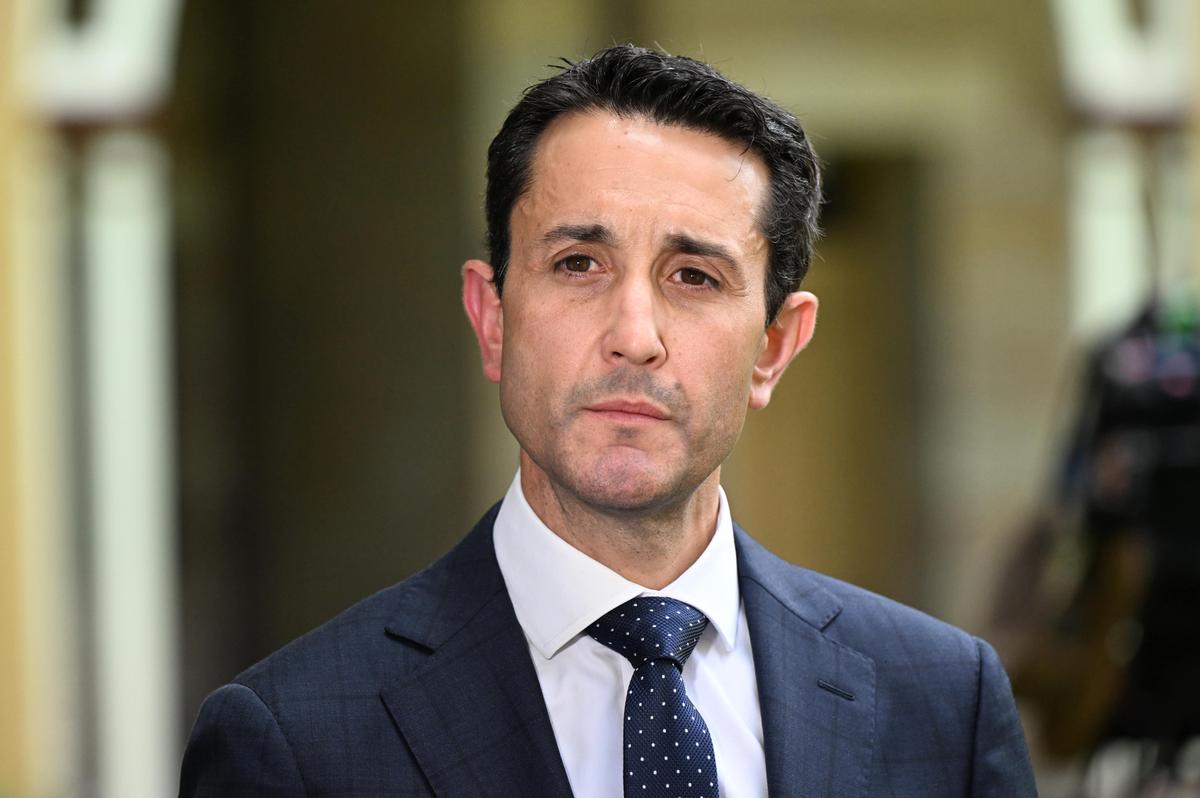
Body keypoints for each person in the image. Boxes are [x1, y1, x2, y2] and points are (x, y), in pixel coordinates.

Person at [180, 45, 1037, 797]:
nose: (634, 337)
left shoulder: (942, 704)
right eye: (578, 263)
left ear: (775, 345)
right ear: (493, 317)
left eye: (694, 277)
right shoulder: (295, 741)